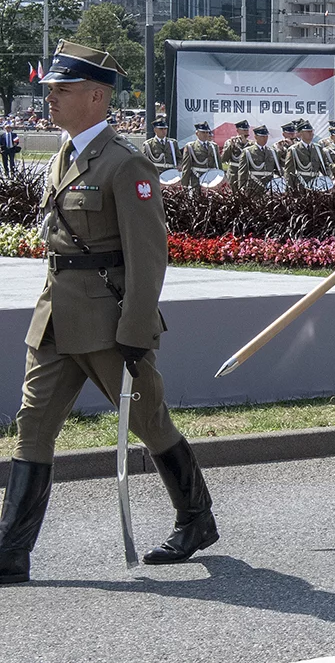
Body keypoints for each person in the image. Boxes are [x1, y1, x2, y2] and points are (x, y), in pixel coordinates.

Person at [0, 42, 218, 585]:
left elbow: (149, 254)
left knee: (148, 420)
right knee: (33, 425)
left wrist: (137, 328)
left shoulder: (126, 163)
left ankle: (195, 517)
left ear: (96, 96)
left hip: (107, 322)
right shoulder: (63, 155)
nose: (50, 98)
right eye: (50, 89)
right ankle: (11, 550)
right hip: (55, 316)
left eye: (63, 90)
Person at [231, 125, 285, 193]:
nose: (265, 139)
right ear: (256, 137)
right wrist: (242, 188)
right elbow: (243, 172)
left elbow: (278, 170)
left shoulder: (272, 152)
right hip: (254, 187)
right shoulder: (248, 152)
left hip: (270, 187)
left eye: (266, 136)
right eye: (262, 136)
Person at [285, 121, 335, 190]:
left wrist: (330, 180)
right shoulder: (294, 149)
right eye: (308, 132)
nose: (311, 134)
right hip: (301, 184)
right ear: (301, 133)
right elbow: (289, 171)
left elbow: (325, 166)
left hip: (318, 184)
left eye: (312, 131)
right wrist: (289, 188)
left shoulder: (318, 148)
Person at [178, 120, 225, 185]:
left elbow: (219, 165)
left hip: (211, 180)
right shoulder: (191, 146)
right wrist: (184, 184)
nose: (205, 134)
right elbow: (186, 167)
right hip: (196, 180)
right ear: (197, 133)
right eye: (203, 132)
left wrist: (220, 181)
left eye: (207, 132)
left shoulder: (213, 146)